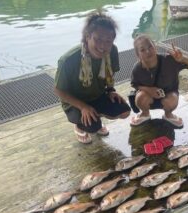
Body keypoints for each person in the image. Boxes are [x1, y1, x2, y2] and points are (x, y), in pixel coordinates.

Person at [54, 11, 131, 144]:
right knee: (92, 127)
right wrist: (83, 107)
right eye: (98, 39)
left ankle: (95, 114)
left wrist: (111, 91)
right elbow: (59, 91)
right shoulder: (68, 60)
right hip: (76, 102)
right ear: (87, 36)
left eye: (108, 41)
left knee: (124, 111)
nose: (103, 46)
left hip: (97, 94)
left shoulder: (112, 50)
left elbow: (110, 73)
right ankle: (79, 124)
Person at [130, 34, 188, 127]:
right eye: (142, 50)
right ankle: (145, 113)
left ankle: (168, 114)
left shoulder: (169, 61)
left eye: (150, 46)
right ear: (138, 55)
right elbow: (135, 84)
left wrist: (182, 58)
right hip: (148, 97)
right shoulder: (137, 68)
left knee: (172, 100)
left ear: (155, 47)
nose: (147, 51)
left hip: (168, 96)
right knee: (140, 98)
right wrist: (148, 90)